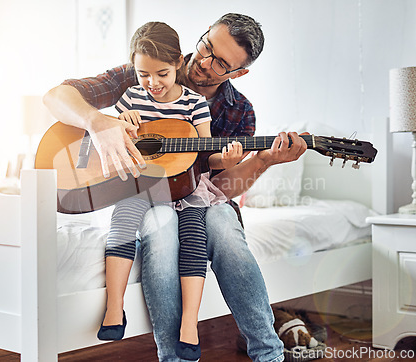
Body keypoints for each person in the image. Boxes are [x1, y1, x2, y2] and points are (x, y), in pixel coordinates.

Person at [44, 13, 307, 362]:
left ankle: (269, 354)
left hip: (200, 199)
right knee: (160, 227)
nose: (203, 61)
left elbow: (219, 190)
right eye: (206, 45)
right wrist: (97, 122)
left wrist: (263, 161)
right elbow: (55, 97)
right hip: (146, 197)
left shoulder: (238, 110)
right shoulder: (149, 69)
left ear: (238, 73)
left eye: (220, 63)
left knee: (223, 228)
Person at [96, 21, 243, 361]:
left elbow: (206, 154)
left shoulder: (194, 104)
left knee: (194, 238)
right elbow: (114, 142)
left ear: (179, 62)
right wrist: (121, 122)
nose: (153, 84)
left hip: (185, 190)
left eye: (161, 73)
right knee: (121, 224)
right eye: (143, 74)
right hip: (139, 186)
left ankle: (189, 324)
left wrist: (228, 158)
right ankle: (114, 308)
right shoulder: (131, 97)